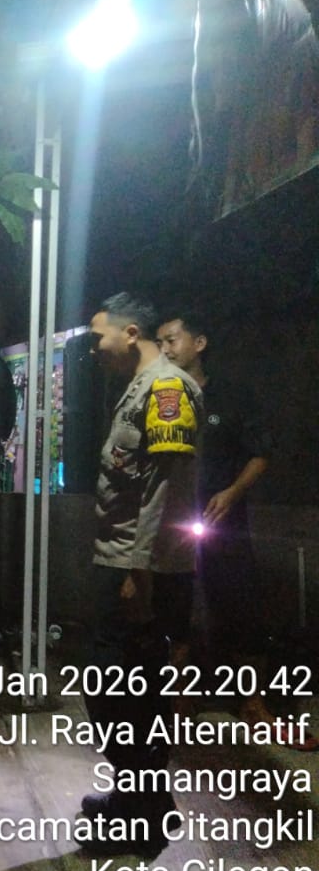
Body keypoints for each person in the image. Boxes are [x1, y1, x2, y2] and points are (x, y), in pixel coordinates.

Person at [78, 291, 202, 856]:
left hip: (142, 568)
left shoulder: (167, 388)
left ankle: (142, 820)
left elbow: (166, 491)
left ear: (130, 333)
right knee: (120, 693)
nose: (94, 348)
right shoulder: (137, 387)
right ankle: (141, 804)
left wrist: (141, 571)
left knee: (125, 693)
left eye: (98, 336)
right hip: (124, 560)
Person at [156, 313, 313, 746]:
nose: (165, 349)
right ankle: (179, 701)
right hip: (172, 525)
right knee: (175, 610)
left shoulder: (230, 397)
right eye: (160, 342)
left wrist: (231, 493)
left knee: (241, 607)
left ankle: (253, 704)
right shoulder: (161, 397)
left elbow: (260, 453)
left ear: (199, 342)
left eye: (172, 339)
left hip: (224, 524)